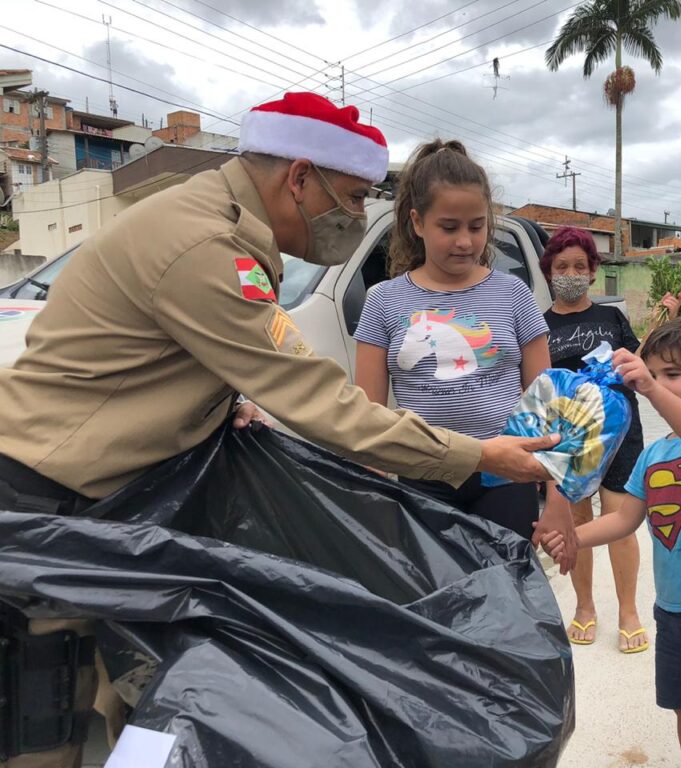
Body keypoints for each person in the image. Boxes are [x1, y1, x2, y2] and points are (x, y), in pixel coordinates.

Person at [0, 94, 558, 767]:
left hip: (128, 506)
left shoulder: (219, 225)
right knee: (49, 715)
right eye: (352, 199)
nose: (355, 218)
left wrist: (215, 402)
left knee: (145, 687)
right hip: (53, 504)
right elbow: (323, 403)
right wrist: (474, 454)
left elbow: (178, 358)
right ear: (300, 179)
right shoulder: (206, 244)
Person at [540, 317, 681, 768]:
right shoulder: (655, 452)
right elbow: (624, 518)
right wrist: (570, 539)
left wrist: (649, 389)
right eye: (655, 374)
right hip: (675, 610)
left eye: (673, 374)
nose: (659, 384)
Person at [353, 139, 557, 543]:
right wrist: (372, 503)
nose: (465, 241)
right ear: (417, 222)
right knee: (435, 598)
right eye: (449, 227)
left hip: (505, 476)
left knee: (508, 595)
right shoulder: (383, 301)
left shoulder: (514, 295)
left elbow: (548, 407)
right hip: (421, 478)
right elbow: (367, 420)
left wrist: (558, 502)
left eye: (476, 226)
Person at [540, 225, 680, 651]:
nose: (571, 273)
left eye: (579, 266)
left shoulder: (612, 318)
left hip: (621, 436)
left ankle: (628, 610)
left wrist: (666, 321)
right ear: (549, 271)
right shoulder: (539, 325)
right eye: (562, 266)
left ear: (593, 271)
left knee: (622, 522)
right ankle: (584, 607)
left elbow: (641, 363)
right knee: (578, 522)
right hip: (570, 437)